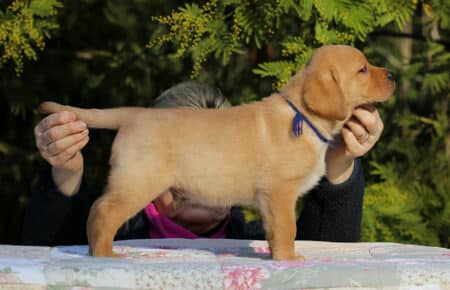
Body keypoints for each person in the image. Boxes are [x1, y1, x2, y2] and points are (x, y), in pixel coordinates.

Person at [22, 81, 384, 246]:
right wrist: (66, 171)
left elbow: (328, 259)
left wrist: (337, 161)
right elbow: (51, 255)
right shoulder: (123, 239)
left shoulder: (257, 245)